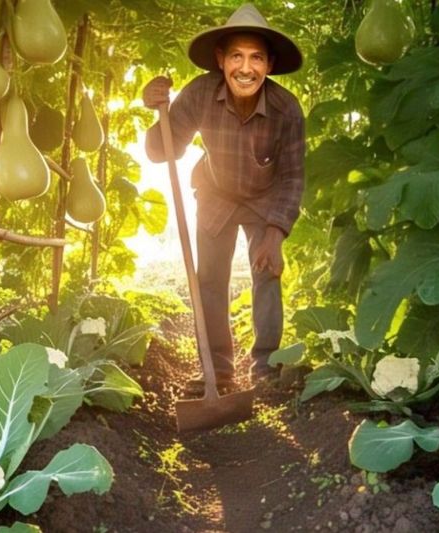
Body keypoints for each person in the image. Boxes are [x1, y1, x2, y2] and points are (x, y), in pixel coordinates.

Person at [143, 3, 305, 393]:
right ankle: (217, 370)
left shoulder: (286, 109)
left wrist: (276, 233)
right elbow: (161, 151)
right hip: (216, 191)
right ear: (221, 59)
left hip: (266, 196)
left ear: (268, 64)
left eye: (256, 58)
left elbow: (293, 177)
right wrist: (156, 110)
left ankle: (265, 367)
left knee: (267, 273)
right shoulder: (200, 93)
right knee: (210, 281)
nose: (245, 68)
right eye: (236, 56)